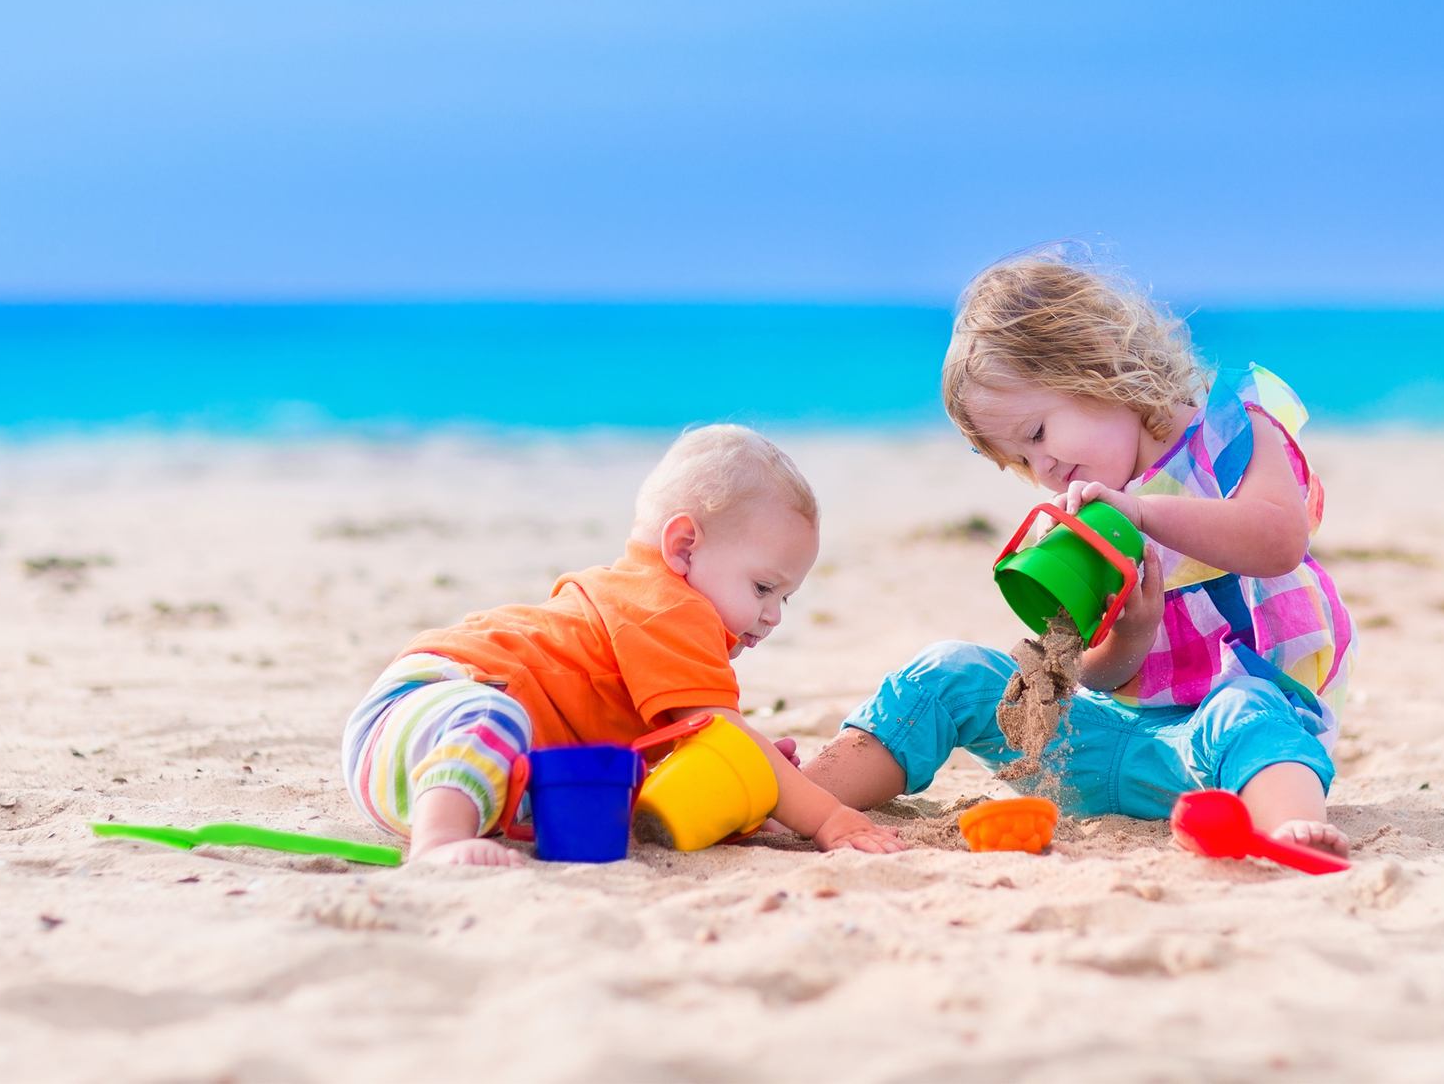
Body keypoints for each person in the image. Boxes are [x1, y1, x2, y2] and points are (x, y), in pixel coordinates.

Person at [805, 250, 1354, 857]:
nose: (1042, 467)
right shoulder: (1087, 514)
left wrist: (1145, 513)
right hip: (1104, 752)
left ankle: (1286, 831)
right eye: (1019, 459)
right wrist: (1131, 638)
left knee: (1246, 705)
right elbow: (1086, 679)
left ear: (1095, 364)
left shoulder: (1232, 431)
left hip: (1232, 752)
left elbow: (1279, 540)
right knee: (949, 673)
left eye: (1038, 433)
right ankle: (800, 800)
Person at [342, 424, 904, 864]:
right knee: (495, 715)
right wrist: (830, 817)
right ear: (683, 547)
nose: (774, 615)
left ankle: (448, 824)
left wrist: (742, 783)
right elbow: (721, 727)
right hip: (430, 707)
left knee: (592, 792)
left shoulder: (652, 612)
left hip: (437, 778)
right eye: (763, 587)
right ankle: (438, 844)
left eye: (787, 597)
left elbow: (690, 752)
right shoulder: (666, 603)